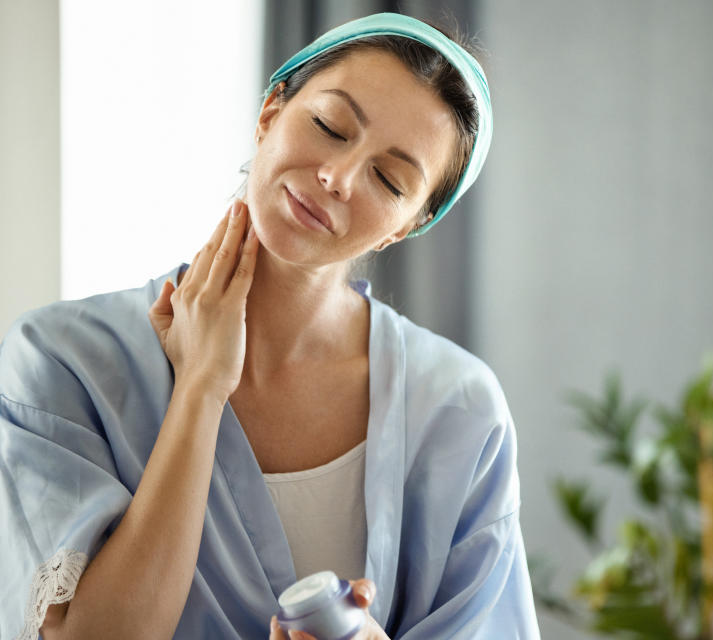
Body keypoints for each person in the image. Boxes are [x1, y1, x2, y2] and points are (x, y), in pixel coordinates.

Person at [0, 13, 540, 640]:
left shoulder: (459, 408)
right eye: (329, 127)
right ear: (270, 111)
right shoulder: (58, 361)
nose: (337, 179)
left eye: (389, 180)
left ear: (406, 226)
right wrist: (200, 389)